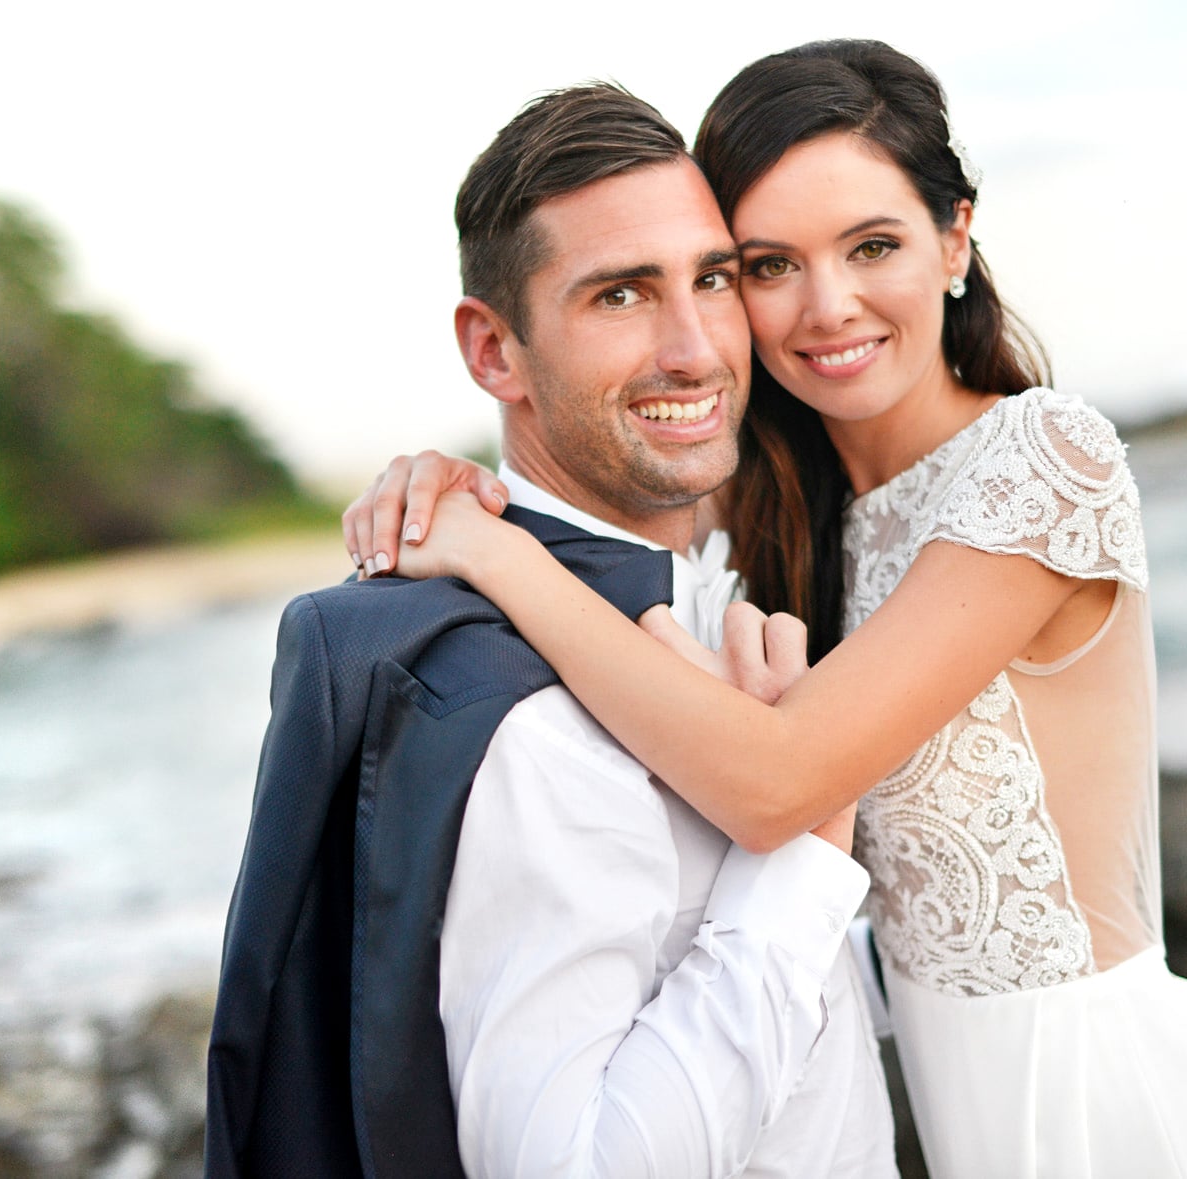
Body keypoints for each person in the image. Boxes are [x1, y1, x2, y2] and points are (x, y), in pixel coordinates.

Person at [346, 40, 1187, 1178]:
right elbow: (602, 458)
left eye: (871, 245)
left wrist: (493, 555)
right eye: (767, 266)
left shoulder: (1039, 462)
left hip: (1100, 1099)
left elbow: (778, 783)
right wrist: (451, 480)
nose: (826, 309)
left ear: (954, 239)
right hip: (954, 1111)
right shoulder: (792, 499)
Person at [206, 82, 897, 1178]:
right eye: (620, 295)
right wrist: (801, 863)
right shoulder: (536, 725)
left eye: (711, 279)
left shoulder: (722, 563)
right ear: (494, 353)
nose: (694, 348)